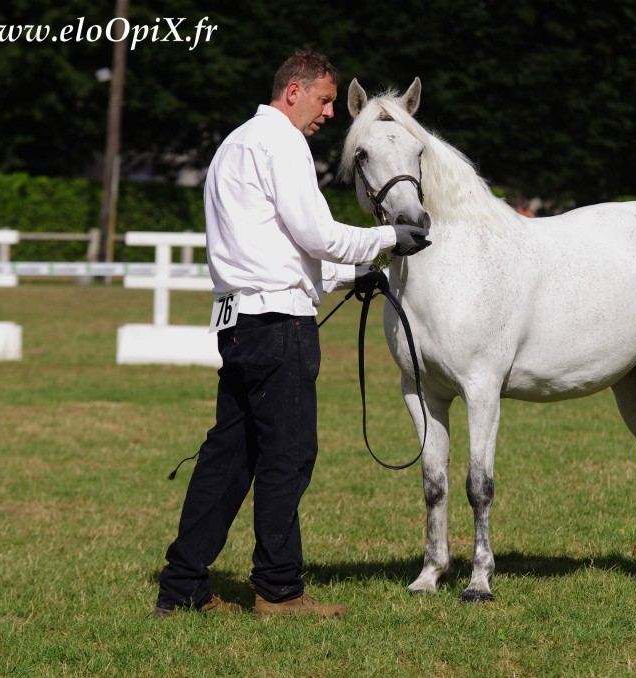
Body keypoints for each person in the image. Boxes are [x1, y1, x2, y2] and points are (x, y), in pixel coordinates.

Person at [154, 50, 430, 619]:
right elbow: (315, 234)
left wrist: (352, 272)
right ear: (294, 92)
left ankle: (181, 586)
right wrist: (385, 240)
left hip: (238, 321)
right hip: (278, 326)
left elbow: (277, 250)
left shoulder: (234, 144)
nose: (329, 113)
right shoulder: (282, 143)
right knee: (289, 455)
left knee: (228, 456)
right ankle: (279, 590)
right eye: (326, 100)